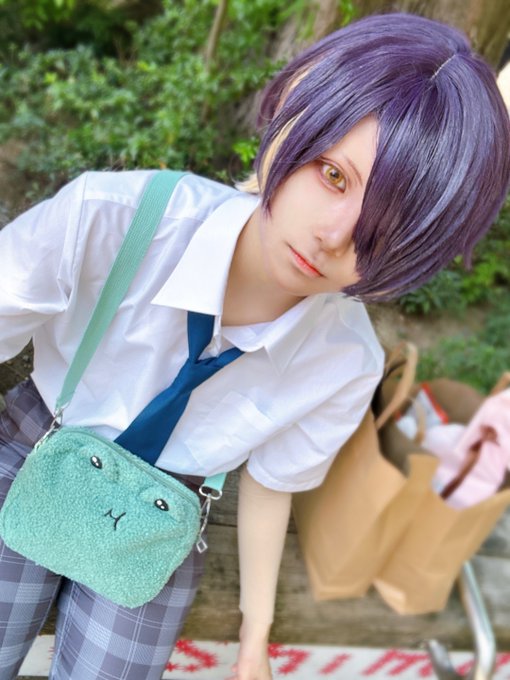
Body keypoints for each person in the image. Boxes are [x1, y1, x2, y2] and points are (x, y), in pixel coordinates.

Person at [0, 11, 509, 680]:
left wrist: (255, 638)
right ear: (295, 115)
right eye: (333, 175)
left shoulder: (344, 362)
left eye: (382, 232)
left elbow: (272, 483)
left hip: (165, 508)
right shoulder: (112, 219)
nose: (334, 236)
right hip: (36, 441)